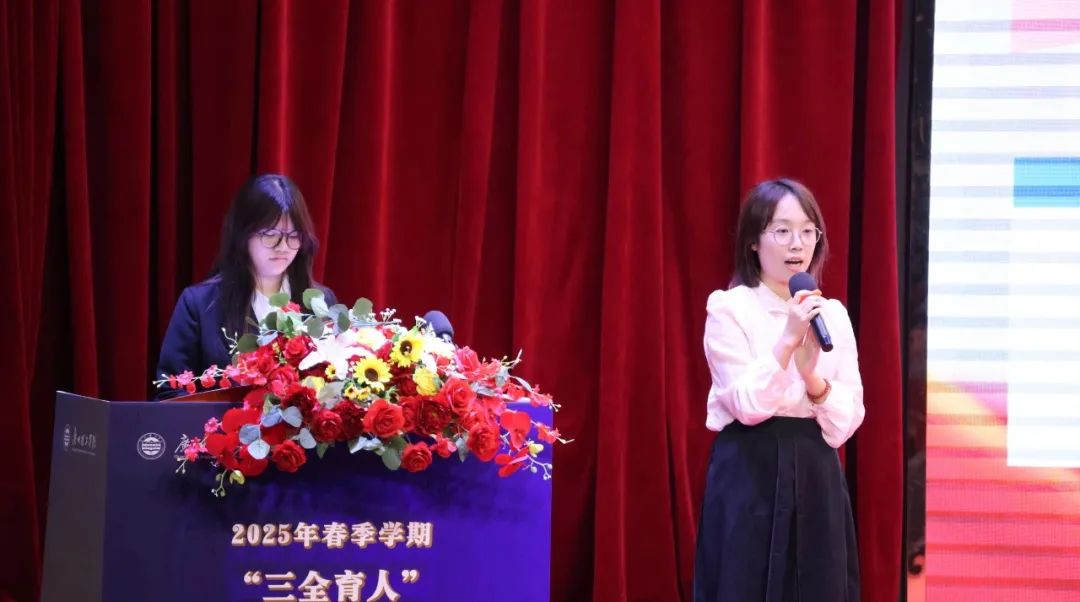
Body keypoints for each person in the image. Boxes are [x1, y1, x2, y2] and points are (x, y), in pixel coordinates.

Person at [693, 178, 864, 601]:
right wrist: (787, 341)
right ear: (754, 241)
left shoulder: (832, 315)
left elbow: (845, 423)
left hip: (816, 474)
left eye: (808, 231)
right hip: (749, 470)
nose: (797, 244)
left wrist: (812, 379)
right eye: (782, 230)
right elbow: (746, 405)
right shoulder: (729, 308)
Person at [155, 174, 336, 399]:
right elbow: (170, 393)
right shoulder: (200, 304)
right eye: (270, 235)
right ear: (243, 234)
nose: (283, 247)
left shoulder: (320, 301)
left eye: (293, 236)